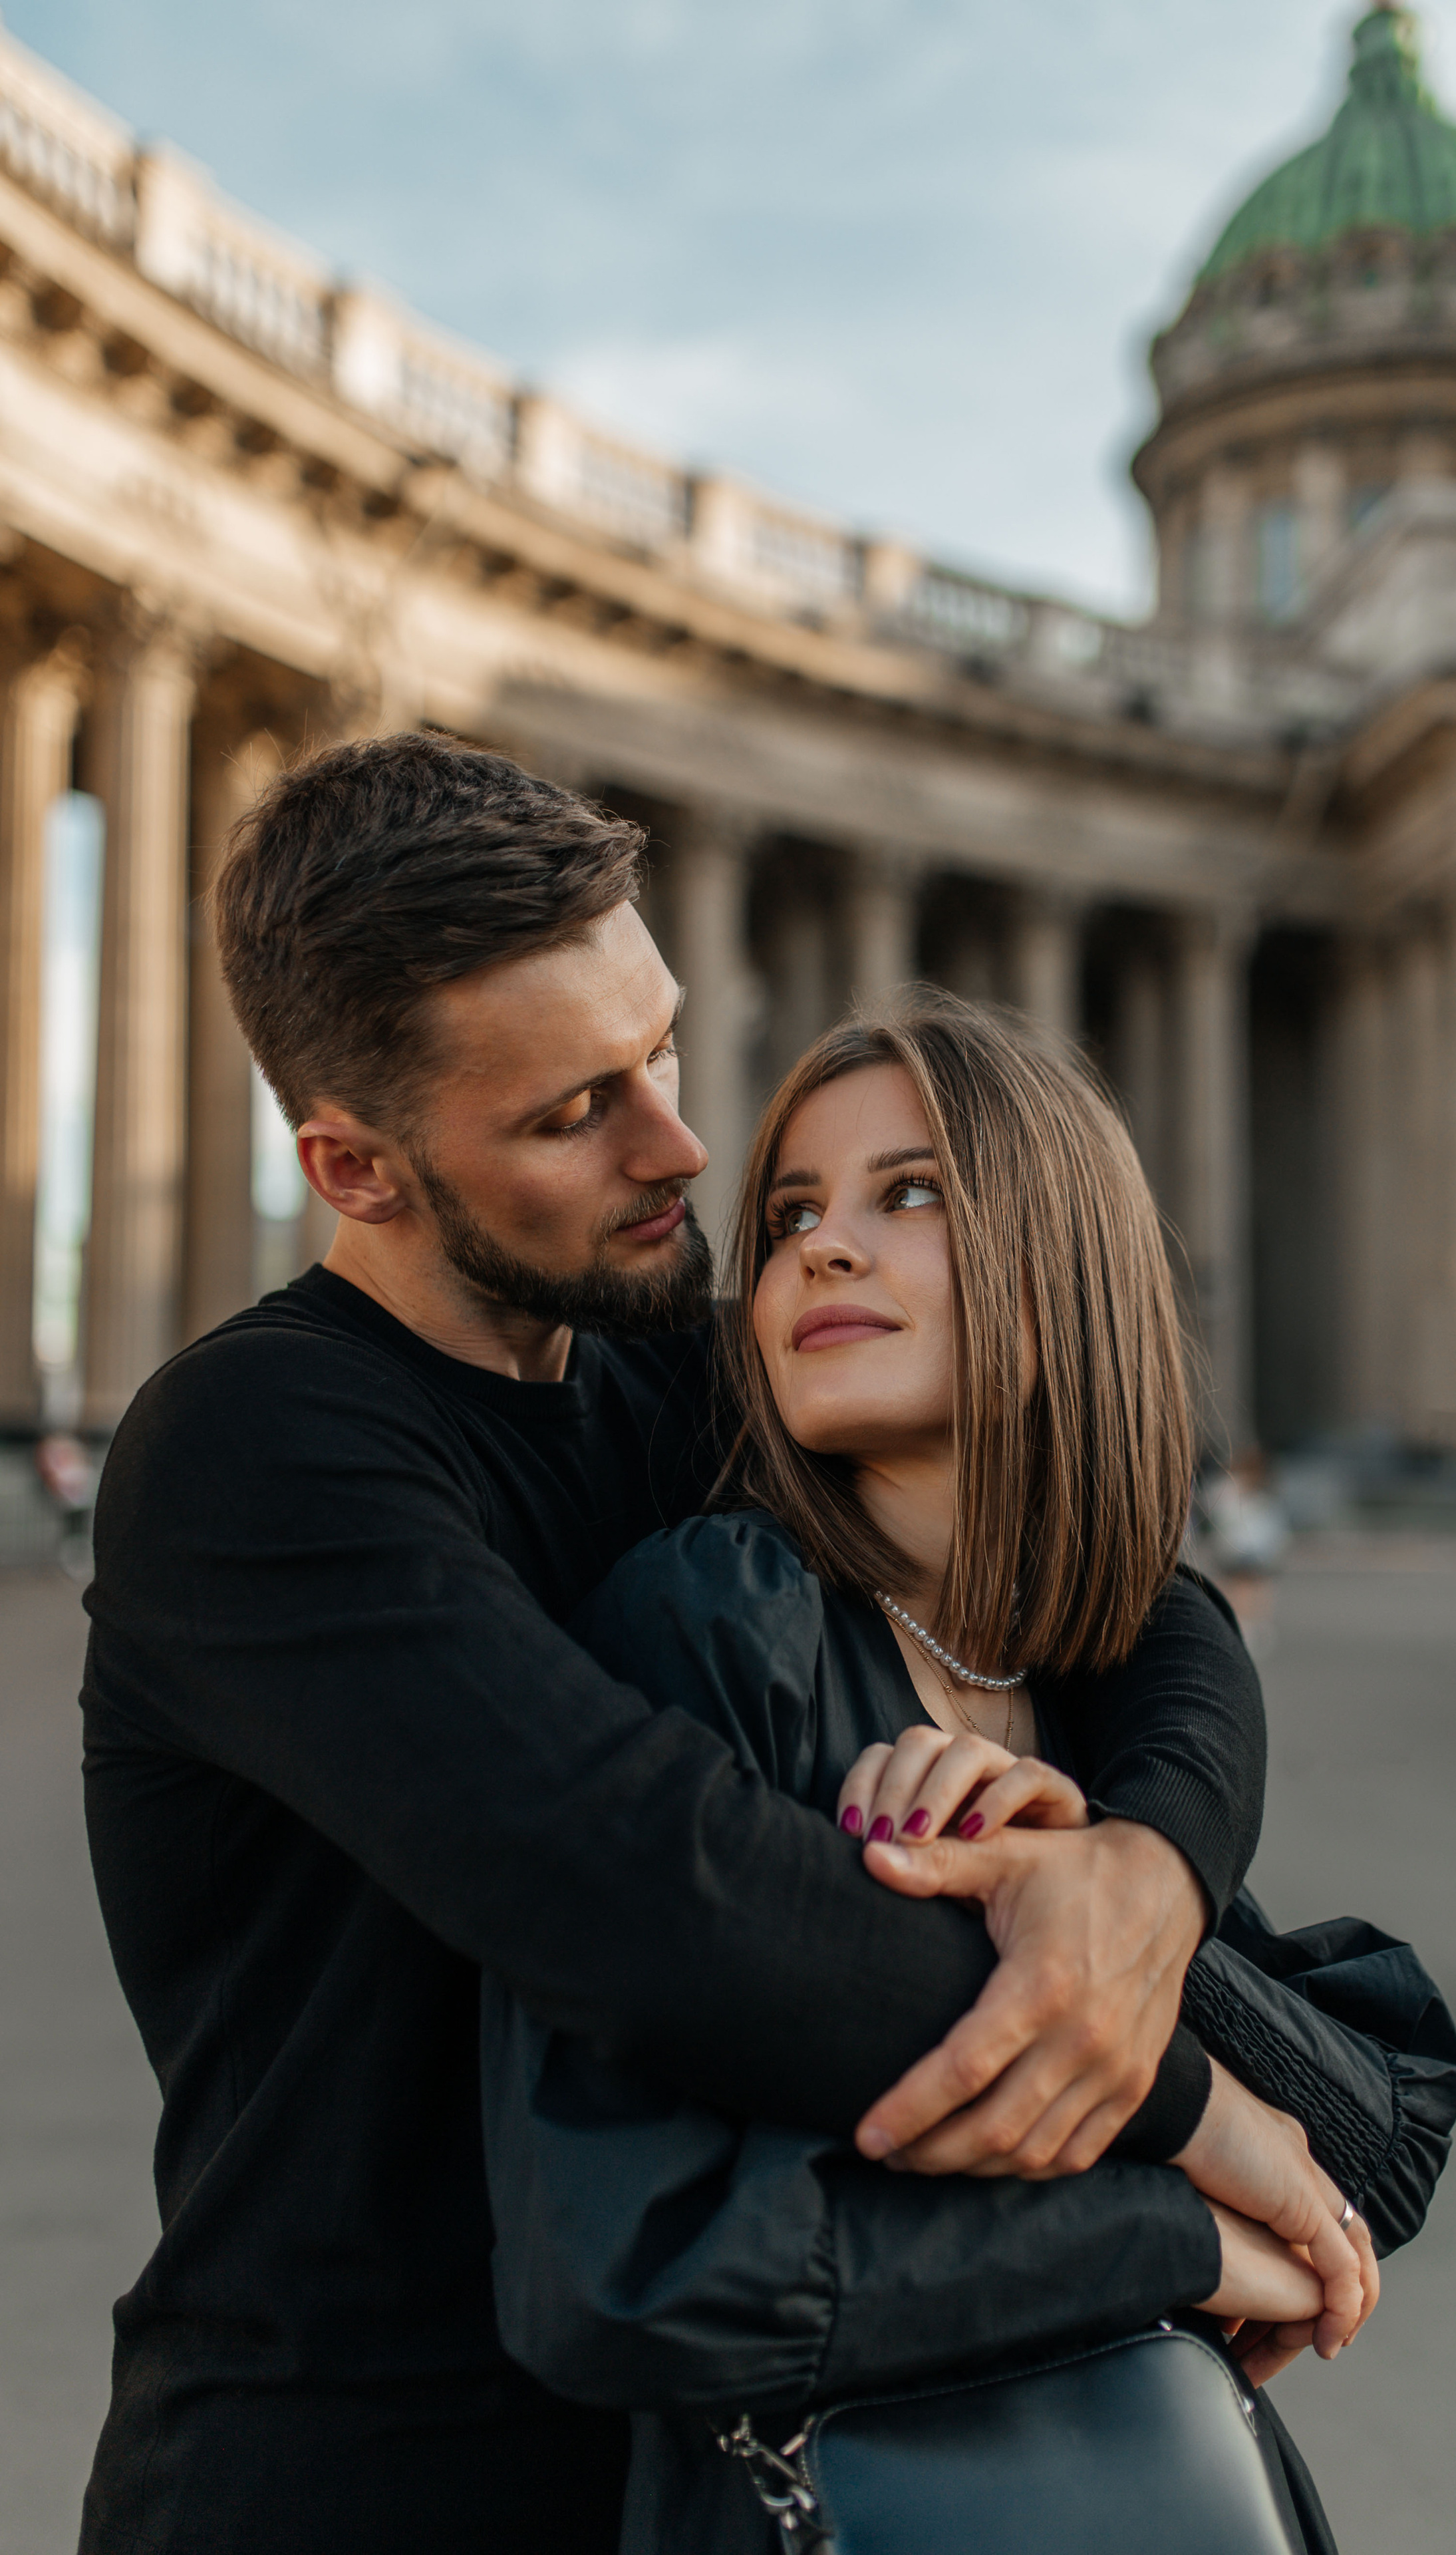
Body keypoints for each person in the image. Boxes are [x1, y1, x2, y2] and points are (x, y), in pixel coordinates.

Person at [77, 736, 1274, 2555]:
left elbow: (1131, 1595)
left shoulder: (677, 1369)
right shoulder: (252, 1450)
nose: (680, 1145)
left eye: (662, 1049)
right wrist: (1179, 2113)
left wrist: (1149, 1866)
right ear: (355, 1166)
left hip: (702, 2471)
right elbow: (659, 1892)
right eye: (576, 1112)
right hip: (347, 2472)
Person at [484, 996, 1456, 2554]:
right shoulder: (719, 1623)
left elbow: (1372, 2160)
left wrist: (1110, 1904)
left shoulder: (1085, 1679)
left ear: (1055, 1266)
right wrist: (1171, 2231)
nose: (821, 1247)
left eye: (909, 1193)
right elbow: (630, 2266)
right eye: (790, 1213)